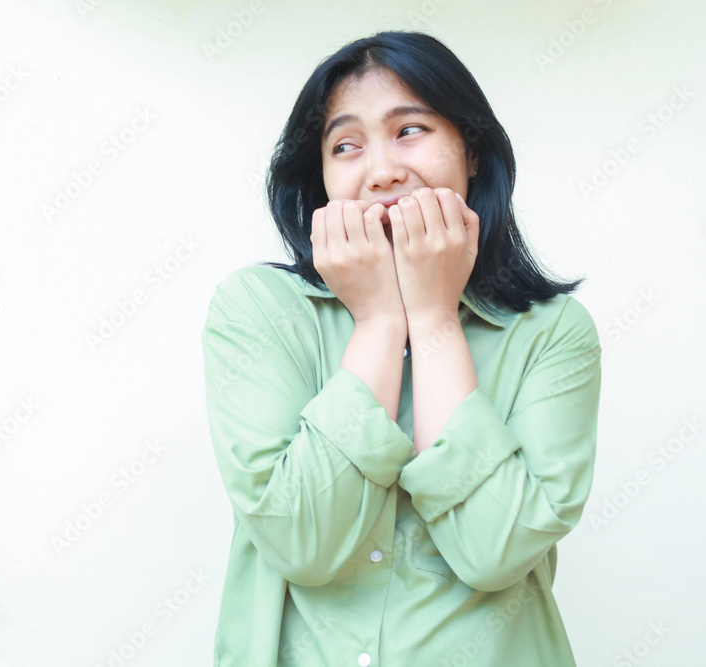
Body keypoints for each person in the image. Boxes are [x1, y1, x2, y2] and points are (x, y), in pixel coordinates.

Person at [202, 30, 602, 667]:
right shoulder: (258, 311)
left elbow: (495, 551)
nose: (382, 170)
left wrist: (436, 320)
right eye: (346, 145)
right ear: (323, 177)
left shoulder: (553, 332)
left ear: (470, 151)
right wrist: (381, 323)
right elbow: (303, 541)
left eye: (410, 129)